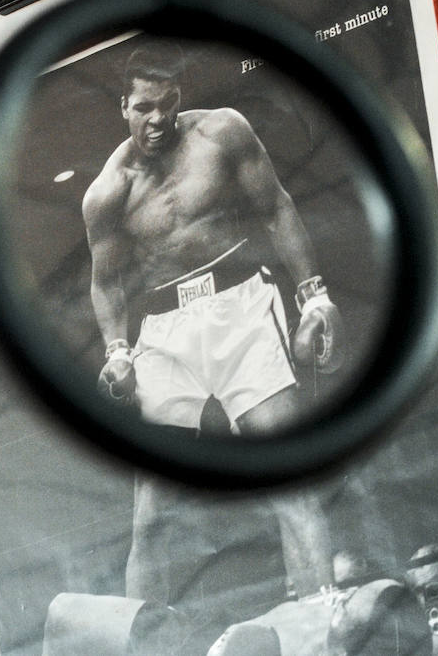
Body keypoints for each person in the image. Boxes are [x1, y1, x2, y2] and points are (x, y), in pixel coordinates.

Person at [82, 44, 339, 603]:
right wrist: (116, 351)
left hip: (241, 308)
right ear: (122, 107)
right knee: (150, 516)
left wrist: (313, 297)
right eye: (144, 107)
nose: (158, 119)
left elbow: (276, 207)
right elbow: (105, 283)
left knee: (287, 481)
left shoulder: (222, 133)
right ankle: (140, 645)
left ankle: (323, 626)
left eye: (168, 104)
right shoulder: (107, 193)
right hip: (164, 333)